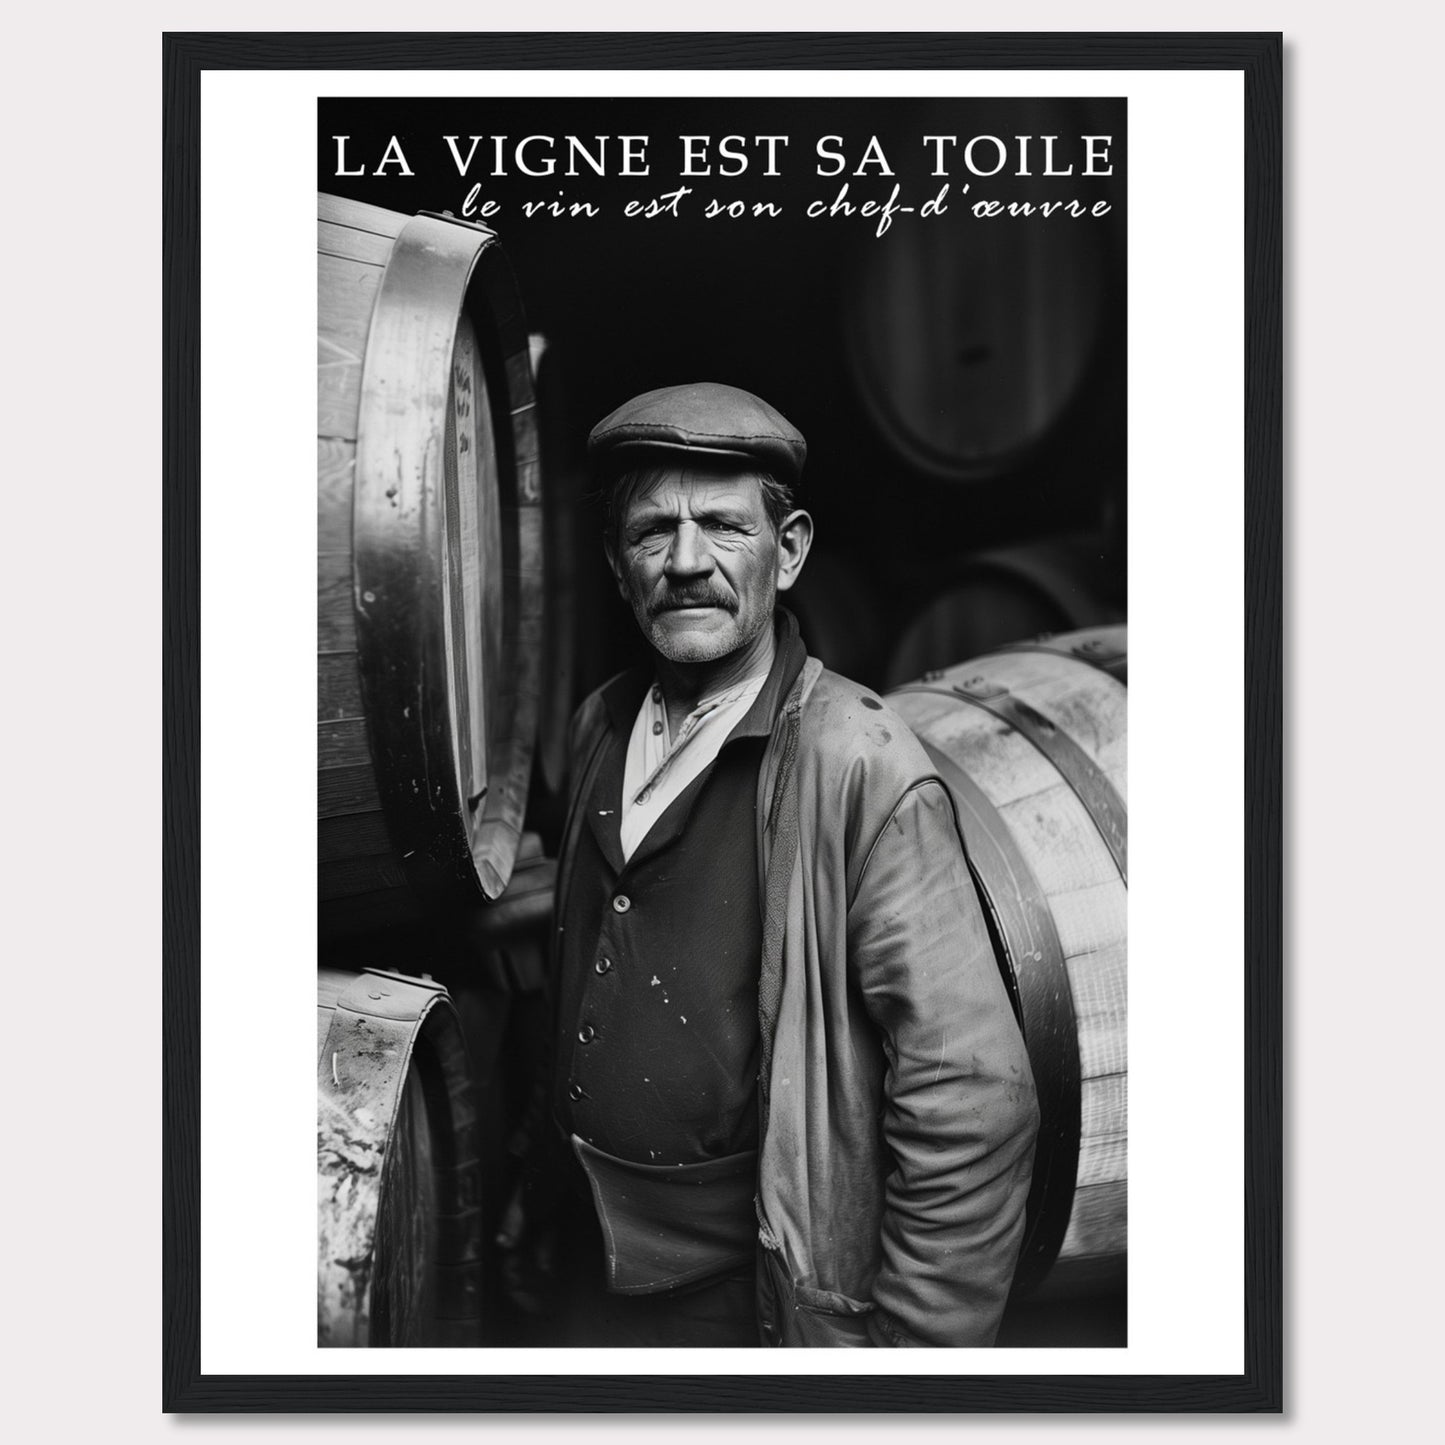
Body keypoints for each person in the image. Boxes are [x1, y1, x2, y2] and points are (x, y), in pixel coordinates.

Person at [522, 381, 1038, 1348]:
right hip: (579, 1273)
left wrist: (911, 1369)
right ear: (613, 559)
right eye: (650, 530)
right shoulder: (599, 722)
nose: (684, 562)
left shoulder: (856, 763)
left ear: (789, 549)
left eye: (722, 525)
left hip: (747, 1302)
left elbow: (972, 1097)